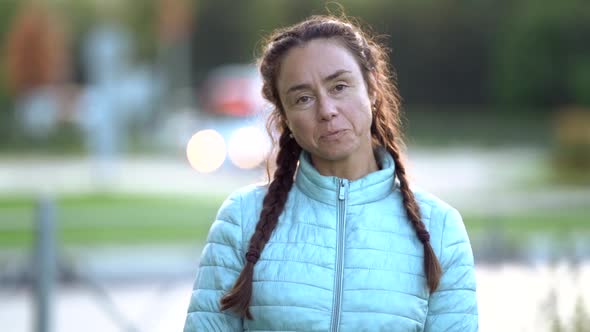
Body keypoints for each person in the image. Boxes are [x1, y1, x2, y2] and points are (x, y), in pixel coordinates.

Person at [183, 15, 478, 331]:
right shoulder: (242, 219)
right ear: (285, 117)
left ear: (372, 88)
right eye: (303, 98)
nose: (326, 110)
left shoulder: (441, 230)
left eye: (339, 86)